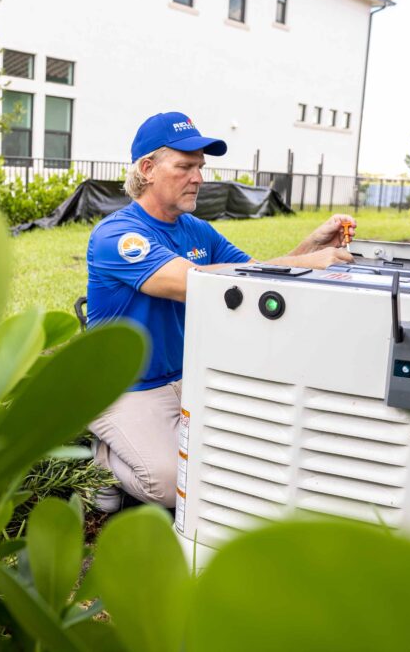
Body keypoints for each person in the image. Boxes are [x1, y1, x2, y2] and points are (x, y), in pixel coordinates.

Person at [85, 111, 356, 511]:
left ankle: (155, 440)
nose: (198, 177)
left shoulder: (196, 230)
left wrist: (311, 249)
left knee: (231, 467)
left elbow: (254, 277)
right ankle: (103, 457)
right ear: (147, 169)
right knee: (173, 486)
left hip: (186, 375)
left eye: (200, 167)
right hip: (126, 386)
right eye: (185, 166)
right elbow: (194, 281)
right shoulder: (117, 235)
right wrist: (313, 263)